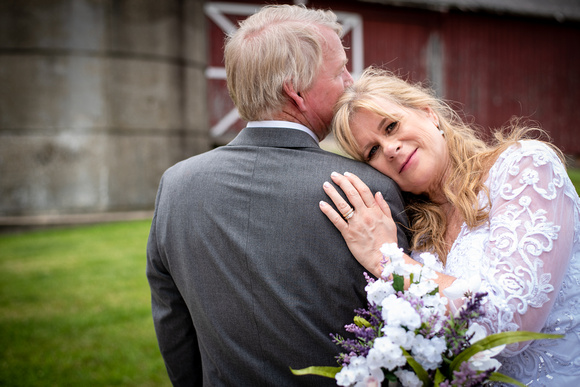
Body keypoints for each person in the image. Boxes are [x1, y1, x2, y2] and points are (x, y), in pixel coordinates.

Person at [146, 7, 410, 386]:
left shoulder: (175, 185)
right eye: (339, 72)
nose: (350, 82)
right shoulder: (366, 190)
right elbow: (402, 328)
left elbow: (173, 321)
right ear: (295, 92)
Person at [319, 66, 580, 385]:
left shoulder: (525, 168)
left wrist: (386, 260)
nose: (389, 148)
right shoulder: (416, 236)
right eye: (372, 150)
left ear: (429, 113)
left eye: (391, 126)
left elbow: (512, 325)